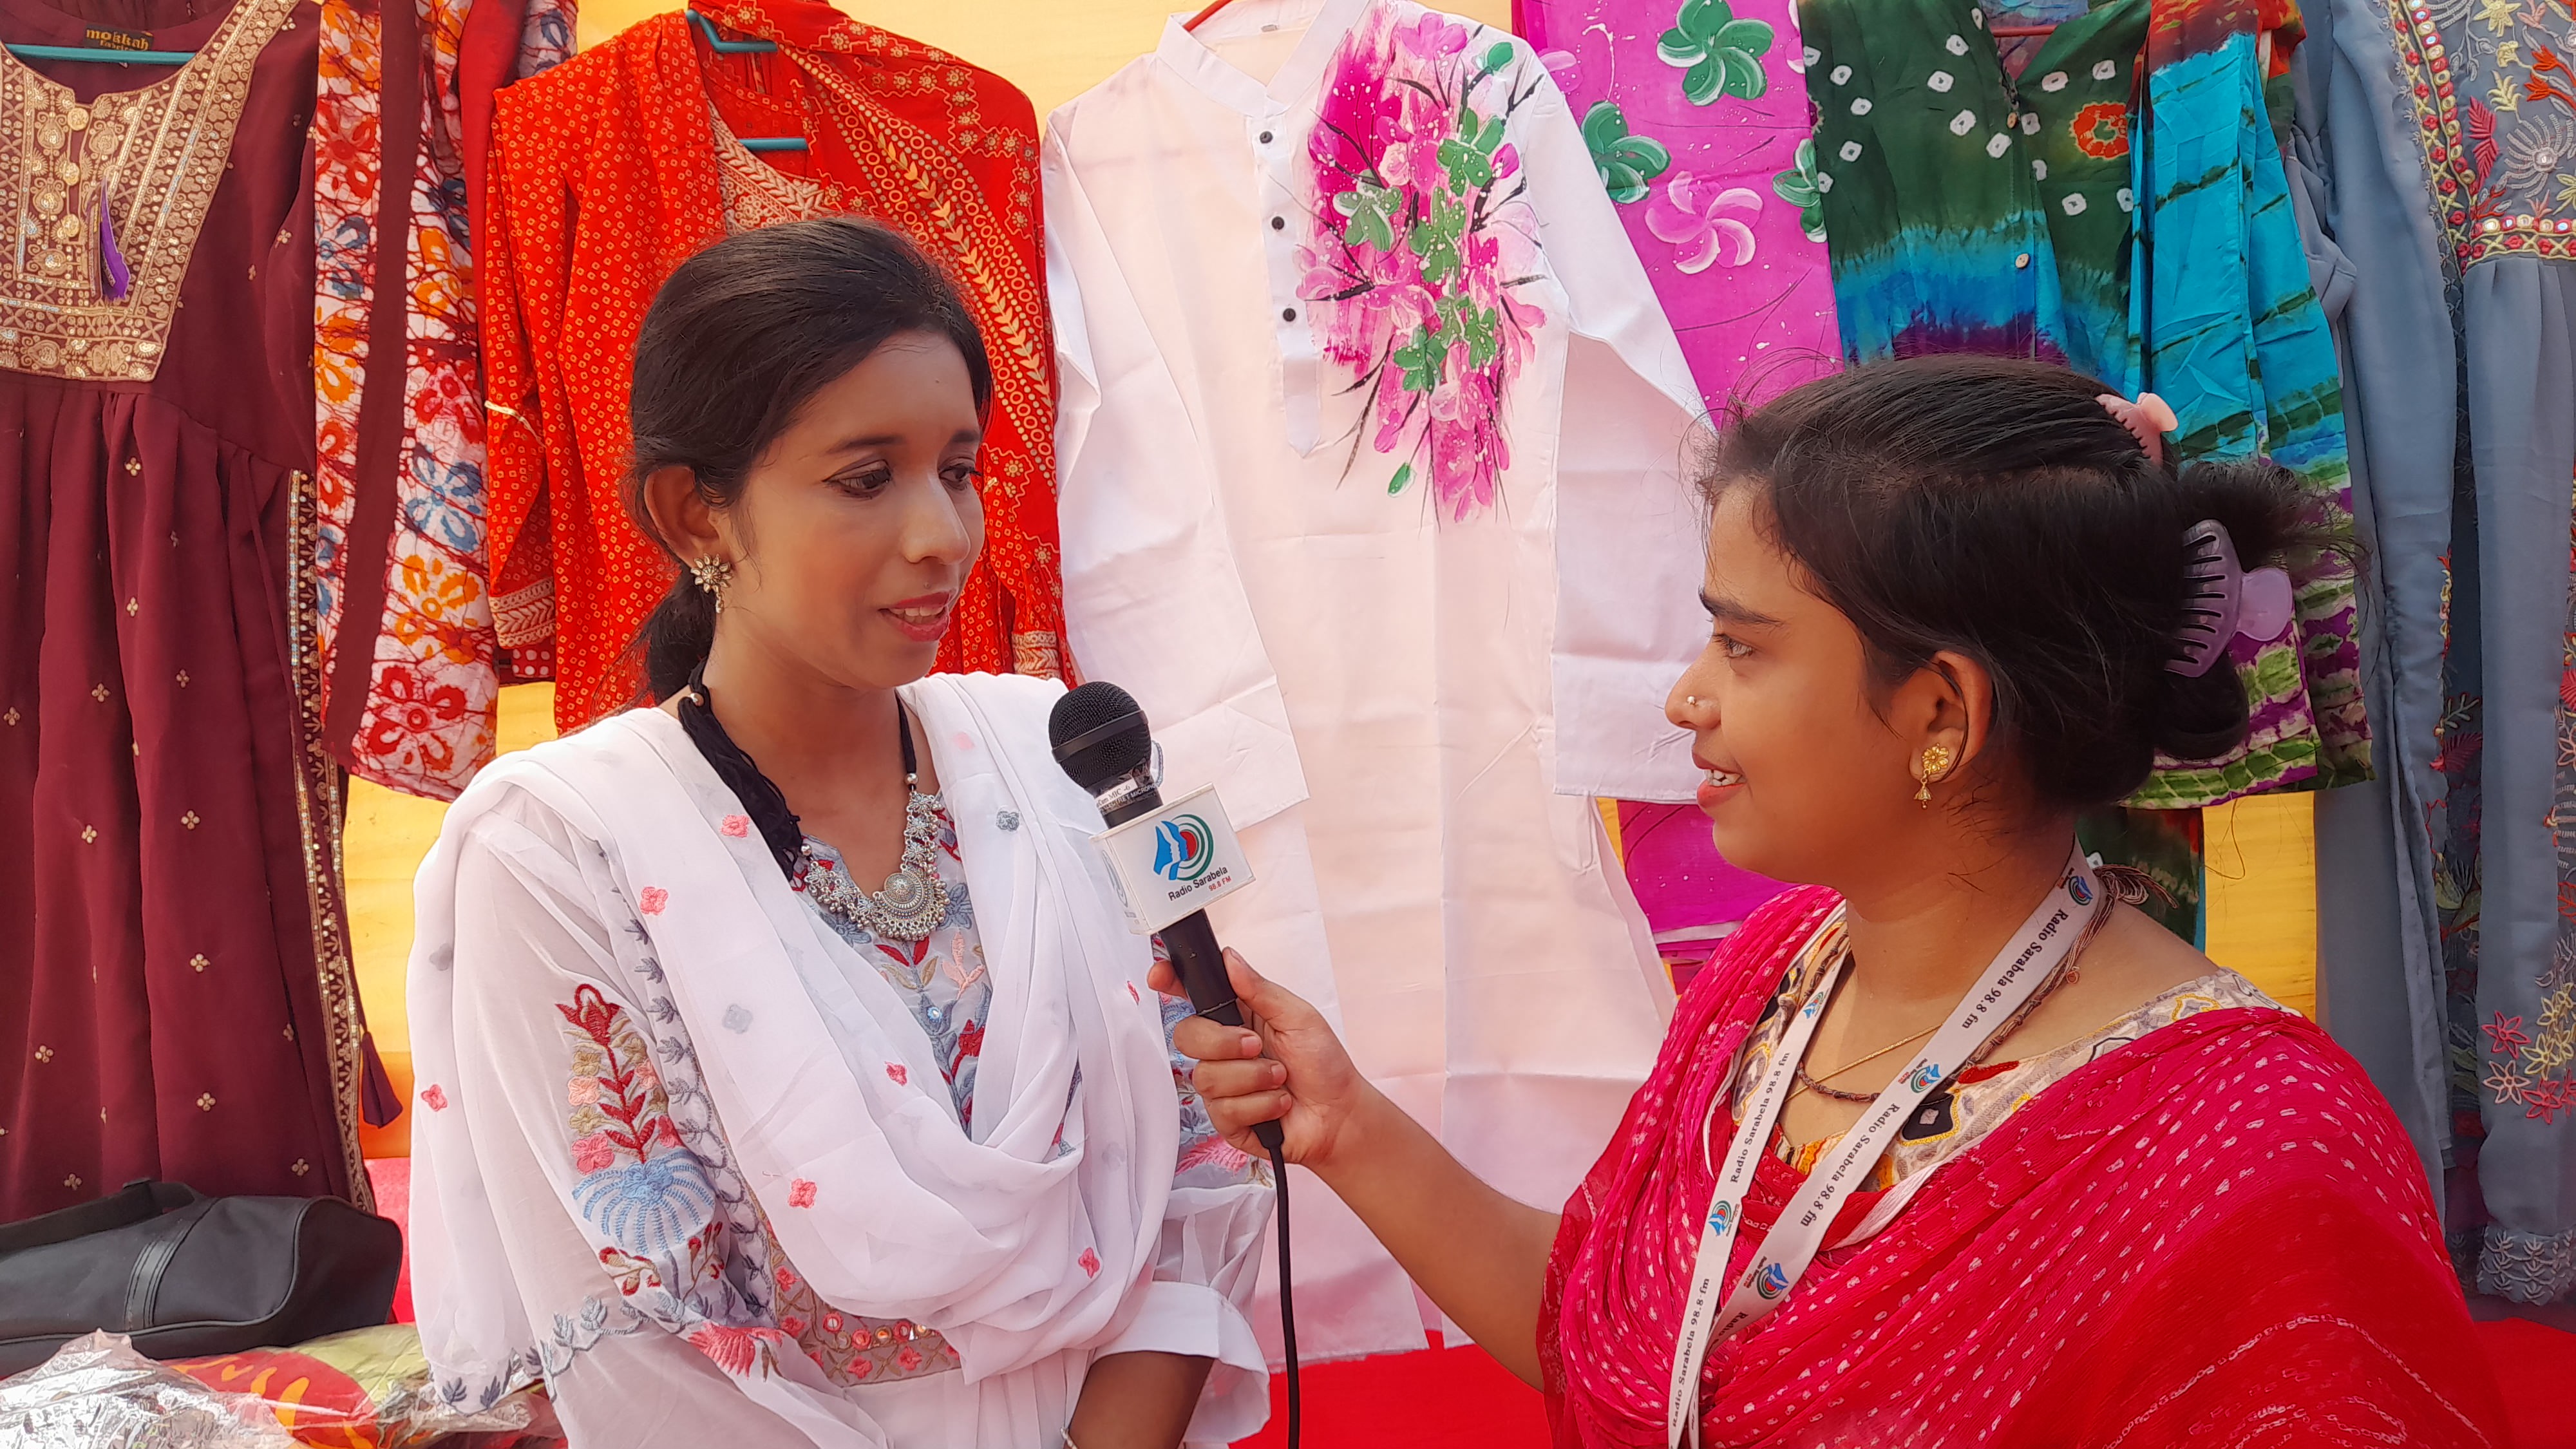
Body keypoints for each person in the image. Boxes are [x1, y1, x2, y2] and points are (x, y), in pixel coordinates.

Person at [1166, 357, 2510, 1446]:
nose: (1685, 694)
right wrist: (1346, 1124)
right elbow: (1623, 1349)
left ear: (1937, 713)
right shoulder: (1777, 980)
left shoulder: (2246, 1154)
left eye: (1741, 647)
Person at [406, 218, 1273, 1448]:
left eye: (959, 469)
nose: (943, 535)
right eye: (868, 478)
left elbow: (1199, 1164)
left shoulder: (1065, 757)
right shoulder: (561, 854)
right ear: (697, 515)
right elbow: (644, 1344)